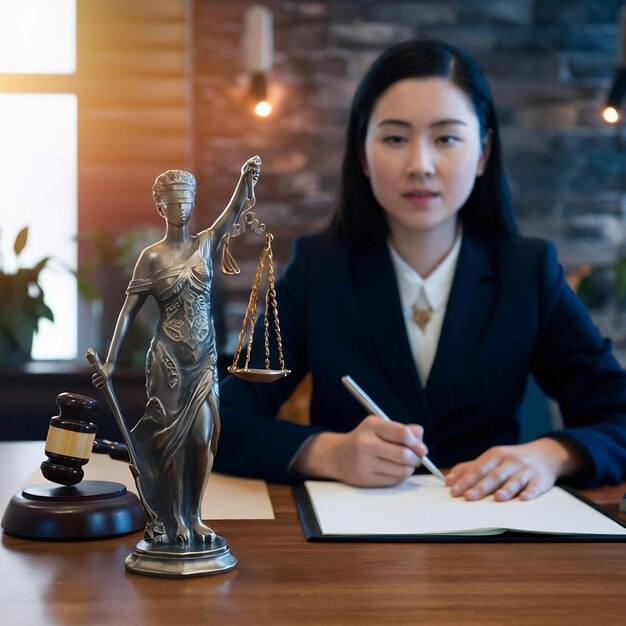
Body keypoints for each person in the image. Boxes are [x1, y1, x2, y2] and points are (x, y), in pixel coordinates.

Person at [214, 40, 626, 501]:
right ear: (363, 155)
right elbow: (219, 421)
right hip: (348, 550)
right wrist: (328, 453)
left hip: (498, 541)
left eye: (447, 138)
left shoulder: (527, 271)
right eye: (394, 138)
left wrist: (551, 455)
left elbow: (618, 414)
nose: (420, 166)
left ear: (484, 152)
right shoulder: (319, 268)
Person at [92, 157, 260, 545]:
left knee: (202, 435)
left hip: (203, 358)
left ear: (192, 203)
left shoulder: (206, 243)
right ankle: (176, 520)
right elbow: (127, 312)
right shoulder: (151, 257)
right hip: (168, 358)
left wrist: (243, 178)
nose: (180, 208)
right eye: (172, 202)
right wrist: (112, 360)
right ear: (161, 206)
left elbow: (232, 212)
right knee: (172, 441)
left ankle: (195, 514)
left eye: (185, 201)